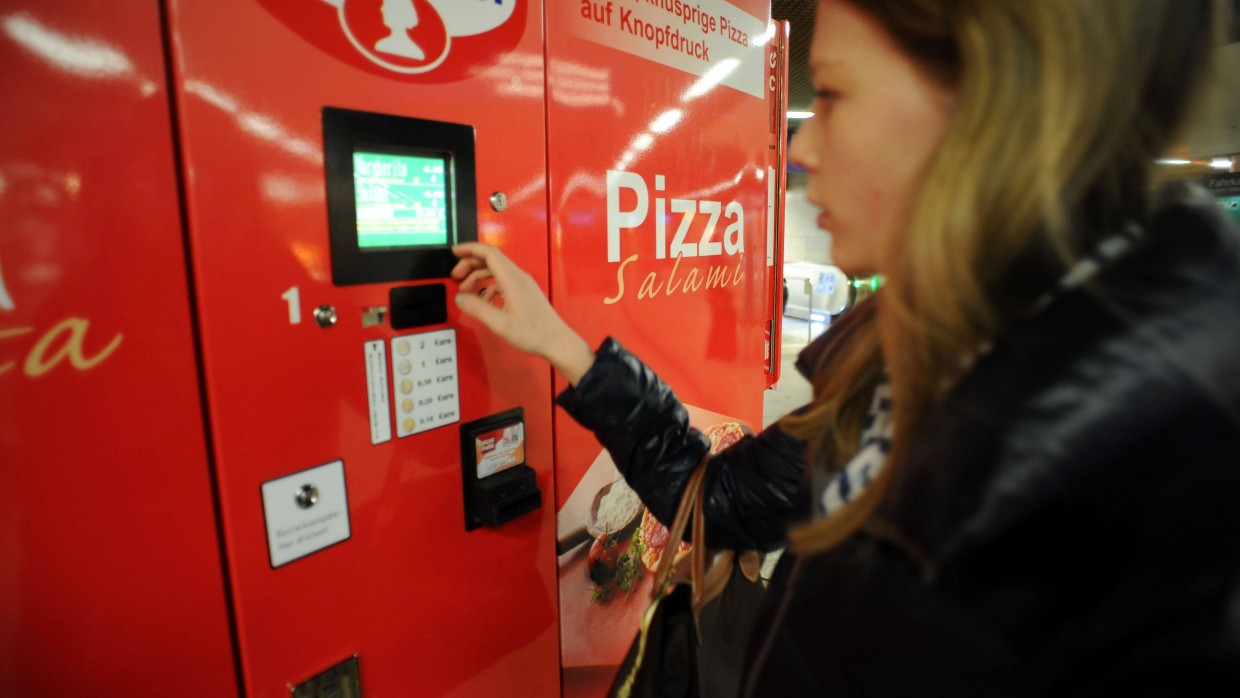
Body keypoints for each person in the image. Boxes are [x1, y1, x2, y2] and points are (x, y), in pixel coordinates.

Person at [452, 0, 1240, 693]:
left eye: (831, 94)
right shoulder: (908, 345)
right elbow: (720, 502)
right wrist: (559, 341)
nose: (798, 151)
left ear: (996, 105)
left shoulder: (1157, 479)